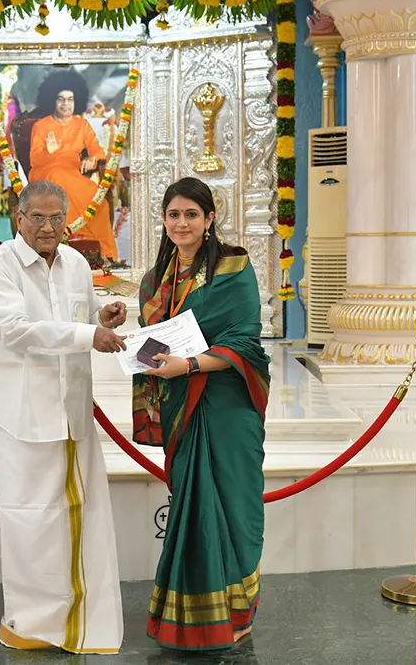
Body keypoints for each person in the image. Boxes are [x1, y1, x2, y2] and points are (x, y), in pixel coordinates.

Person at [0, 179, 127, 654]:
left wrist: (104, 318)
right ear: (18, 218)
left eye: (56, 218)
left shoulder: (76, 263)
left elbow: (84, 317)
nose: (47, 227)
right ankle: (30, 624)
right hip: (25, 417)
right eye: (37, 217)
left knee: (81, 517)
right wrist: (88, 335)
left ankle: (81, 618)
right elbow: (15, 331)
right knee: (30, 522)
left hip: (73, 412)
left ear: (67, 220)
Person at [132, 177, 269, 651]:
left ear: (209, 218)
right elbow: (151, 340)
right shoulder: (155, 280)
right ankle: (193, 619)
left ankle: (238, 612)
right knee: (194, 510)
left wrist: (188, 364)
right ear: (163, 219)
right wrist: (141, 352)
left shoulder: (234, 267)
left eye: (192, 214)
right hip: (181, 406)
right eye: (174, 214)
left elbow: (245, 340)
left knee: (234, 507)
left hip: (226, 405)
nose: (182, 223)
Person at [27, 71, 117, 261]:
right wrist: (49, 152)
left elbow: (97, 150)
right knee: (57, 176)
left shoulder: (81, 124)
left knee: (100, 202)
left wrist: (92, 158)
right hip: (46, 171)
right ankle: (64, 245)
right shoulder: (41, 126)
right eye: (60, 99)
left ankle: (103, 253)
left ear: (77, 101)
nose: (65, 104)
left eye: (70, 99)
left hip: (72, 173)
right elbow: (34, 160)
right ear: (53, 101)